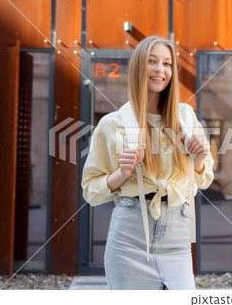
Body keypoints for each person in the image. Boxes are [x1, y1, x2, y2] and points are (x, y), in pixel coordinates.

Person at [81, 36, 214, 290]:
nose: (159, 70)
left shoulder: (185, 116)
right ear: (138, 67)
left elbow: (203, 179)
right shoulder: (112, 124)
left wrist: (197, 161)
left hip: (177, 239)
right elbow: (90, 191)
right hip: (129, 238)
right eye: (152, 61)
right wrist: (122, 173)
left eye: (167, 63)